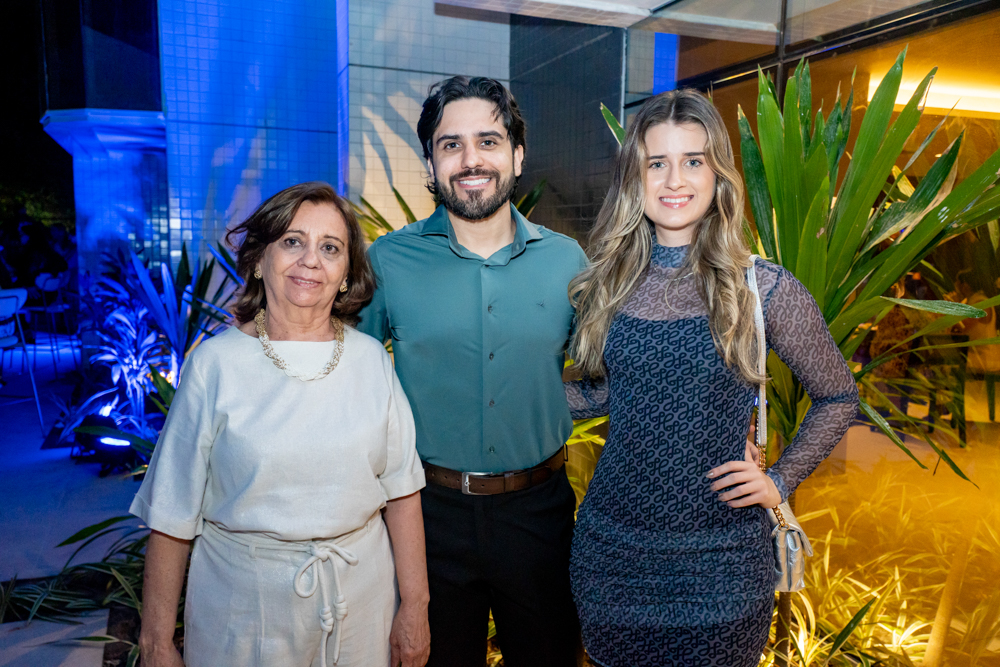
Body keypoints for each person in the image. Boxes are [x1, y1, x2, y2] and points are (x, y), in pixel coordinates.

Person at [564, 90, 859, 666]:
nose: (675, 180)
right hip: (612, 556)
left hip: (724, 561)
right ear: (635, 178)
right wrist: (502, 398)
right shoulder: (607, 284)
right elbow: (613, 393)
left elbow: (838, 394)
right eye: (657, 163)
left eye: (693, 160)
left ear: (718, 174)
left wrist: (780, 479)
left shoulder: (764, 289)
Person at [133, 182, 430, 667]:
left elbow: (401, 491)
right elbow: (171, 514)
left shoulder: (371, 361)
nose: (311, 260)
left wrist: (415, 607)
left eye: (330, 248)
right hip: (243, 615)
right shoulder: (215, 366)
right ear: (258, 260)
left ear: (345, 276)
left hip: (362, 607)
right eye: (293, 241)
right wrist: (157, 641)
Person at [356, 76, 588, 666]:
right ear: (431, 163)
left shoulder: (568, 261)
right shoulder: (388, 261)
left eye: (488, 140)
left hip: (540, 516)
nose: (470, 159)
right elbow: (344, 376)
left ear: (517, 154)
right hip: (424, 519)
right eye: (450, 144)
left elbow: (618, 367)